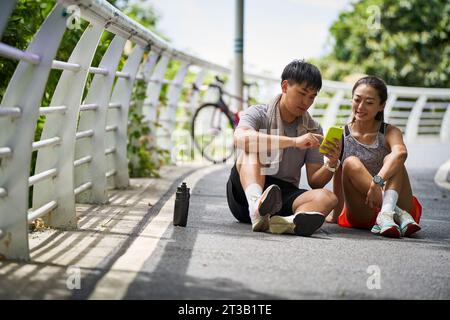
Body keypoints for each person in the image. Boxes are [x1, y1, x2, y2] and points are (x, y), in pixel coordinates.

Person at [226, 59, 341, 237]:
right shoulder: (258, 113)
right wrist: (294, 142)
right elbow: (241, 139)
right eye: (302, 93)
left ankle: (283, 224)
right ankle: (256, 208)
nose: (306, 102)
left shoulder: (313, 128)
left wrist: (331, 164)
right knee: (252, 149)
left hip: (283, 194)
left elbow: (315, 181)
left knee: (327, 197)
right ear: (285, 86)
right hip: (245, 193)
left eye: (312, 96)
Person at [326, 76, 422, 238]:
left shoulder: (390, 131)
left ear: (381, 106)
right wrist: (336, 215)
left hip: (398, 200)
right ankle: (391, 213)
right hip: (364, 211)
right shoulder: (341, 135)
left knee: (394, 158)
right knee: (350, 162)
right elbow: (338, 174)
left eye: (369, 102)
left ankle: (387, 212)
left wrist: (377, 182)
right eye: (357, 100)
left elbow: (401, 153)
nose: (361, 107)